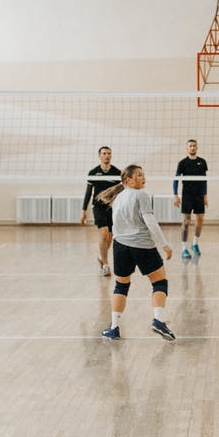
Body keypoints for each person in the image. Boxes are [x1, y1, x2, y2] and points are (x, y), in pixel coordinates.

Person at [96, 165, 176, 341]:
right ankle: (158, 321)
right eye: (139, 175)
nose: (143, 177)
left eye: (143, 174)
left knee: (121, 286)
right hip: (142, 246)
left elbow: (116, 224)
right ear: (129, 180)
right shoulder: (141, 195)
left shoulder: (118, 198)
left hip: (120, 246)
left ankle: (114, 328)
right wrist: (164, 245)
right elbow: (150, 222)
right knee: (159, 282)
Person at [80, 146, 121, 276]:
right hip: (98, 207)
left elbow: (120, 192)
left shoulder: (117, 172)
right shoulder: (93, 172)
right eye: (104, 153)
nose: (106, 155)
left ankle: (101, 256)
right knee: (103, 234)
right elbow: (88, 193)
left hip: (112, 208)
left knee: (109, 237)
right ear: (99, 156)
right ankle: (106, 264)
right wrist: (83, 210)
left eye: (109, 153)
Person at [173, 139, 208, 259]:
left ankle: (194, 244)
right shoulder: (182, 163)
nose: (192, 147)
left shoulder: (202, 162)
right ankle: (184, 248)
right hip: (187, 195)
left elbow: (204, 180)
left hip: (199, 196)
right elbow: (176, 180)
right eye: (190, 146)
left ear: (197, 147)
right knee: (186, 221)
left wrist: (205, 195)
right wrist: (175, 195)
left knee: (200, 220)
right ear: (187, 148)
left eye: (194, 146)